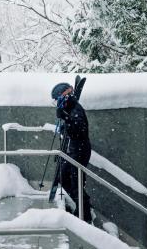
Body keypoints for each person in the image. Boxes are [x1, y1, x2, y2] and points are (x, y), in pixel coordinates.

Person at [51, 82, 92, 223]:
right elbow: (71, 128)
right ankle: (82, 208)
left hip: (80, 151)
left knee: (76, 183)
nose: (57, 103)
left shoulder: (76, 109)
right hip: (73, 150)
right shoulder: (71, 108)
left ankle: (85, 214)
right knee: (65, 178)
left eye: (57, 99)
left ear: (65, 97)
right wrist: (64, 125)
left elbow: (79, 131)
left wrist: (65, 118)